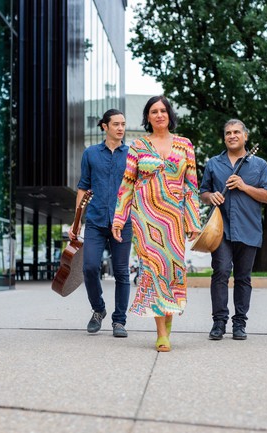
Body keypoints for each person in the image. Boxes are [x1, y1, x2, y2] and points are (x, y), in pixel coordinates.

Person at [112, 95, 201, 352]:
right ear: (148, 117)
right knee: (152, 271)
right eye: (154, 111)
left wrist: (193, 220)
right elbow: (128, 183)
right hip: (146, 218)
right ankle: (161, 332)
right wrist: (119, 218)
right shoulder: (138, 146)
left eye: (163, 110)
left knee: (171, 271)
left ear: (169, 115)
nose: (159, 115)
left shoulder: (185, 145)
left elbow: (191, 185)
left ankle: (168, 315)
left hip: (174, 219)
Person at [200, 119, 267, 341]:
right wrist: (210, 196)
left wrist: (244, 186)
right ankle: (219, 322)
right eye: (228, 133)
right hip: (220, 229)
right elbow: (203, 192)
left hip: (248, 228)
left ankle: (240, 323)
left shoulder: (260, 165)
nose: (232, 136)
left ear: (245, 136)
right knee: (221, 271)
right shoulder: (214, 163)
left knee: (243, 277)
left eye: (236, 132)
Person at [72, 109, 132, 337]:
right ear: (105, 127)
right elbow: (83, 186)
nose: (121, 128)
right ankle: (98, 309)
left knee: (122, 272)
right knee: (89, 267)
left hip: (123, 222)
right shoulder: (90, 153)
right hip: (96, 220)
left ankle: (119, 321)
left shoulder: (132, 154)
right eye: (116, 124)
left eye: (123, 124)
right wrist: (76, 222)